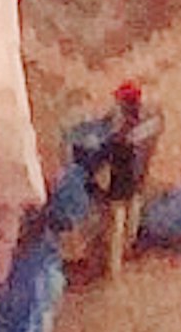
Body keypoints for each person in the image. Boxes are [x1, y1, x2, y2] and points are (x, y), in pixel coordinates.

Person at [60, 86, 154, 284]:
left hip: (122, 184)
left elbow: (106, 148)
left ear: (127, 105)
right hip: (138, 181)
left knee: (115, 226)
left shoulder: (124, 134)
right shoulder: (149, 122)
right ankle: (125, 253)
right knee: (131, 219)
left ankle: (112, 270)